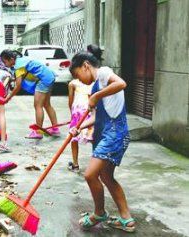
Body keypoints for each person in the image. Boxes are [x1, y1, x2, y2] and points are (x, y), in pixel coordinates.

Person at [69, 44, 135, 232]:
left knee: (90, 174)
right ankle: (126, 219)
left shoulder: (104, 73)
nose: (79, 80)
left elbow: (121, 83)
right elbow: (97, 116)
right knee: (106, 176)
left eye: (77, 75)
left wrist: (96, 96)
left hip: (115, 134)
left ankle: (99, 213)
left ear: (86, 65)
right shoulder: (96, 86)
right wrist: (78, 127)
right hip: (107, 134)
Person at [0, 49, 59, 139]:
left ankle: (38, 133)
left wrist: (8, 98)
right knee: (47, 104)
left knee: (38, 106)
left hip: (43, 79)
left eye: (5, 62)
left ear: (11, 59)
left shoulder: (18, 66)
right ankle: (55, 129)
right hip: (49, 76)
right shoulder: (21, 61)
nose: (5, 64)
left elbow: (18, 86)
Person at [67, 78, 94, 172]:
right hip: (90, 112)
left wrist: (72, 114)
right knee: (93, 137)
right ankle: (96, 166)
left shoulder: (72, 83)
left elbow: (70, 101)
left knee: (74, 137)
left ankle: (75, 164)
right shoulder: (95, 82)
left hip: (77, 111)